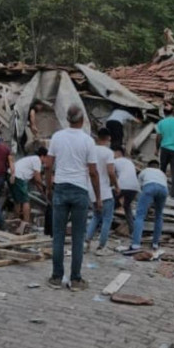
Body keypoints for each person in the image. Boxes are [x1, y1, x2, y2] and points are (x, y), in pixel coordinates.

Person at [45, 105, 100, 291]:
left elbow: (48, 165)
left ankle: (56, 277)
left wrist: (48, 187)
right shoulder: (88, 141)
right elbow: (93, 172)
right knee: (78, 237)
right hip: (80, 190)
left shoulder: (57, 137)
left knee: (58, 235)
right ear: (82, 119)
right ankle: (76, 279)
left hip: (60, 187)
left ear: (67, 119)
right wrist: (98, 197)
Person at [85, 128, 119, 256]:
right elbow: (111, 171)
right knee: (107, 218)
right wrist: (116, 185)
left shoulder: (91, 150)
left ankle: (87, 240)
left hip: (91, 188)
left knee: (96, 216)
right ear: (108, 138)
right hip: (104, 189)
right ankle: (101, 246)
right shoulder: (108, 152)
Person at [130, 160, 169, 250]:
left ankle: (136, 244)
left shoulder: (144, 171)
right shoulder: (162, 173)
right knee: (159, 216)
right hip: (163, 190)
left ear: (148, 166)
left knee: (140, 215)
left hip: (149, 187)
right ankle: (155, 243)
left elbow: (138, 188)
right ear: (157, 167)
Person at [11, 147, 48, 224]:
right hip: (19, 177)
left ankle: (16, 221)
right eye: (46, 158)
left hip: (13, 175)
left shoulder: (32, 159)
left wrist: (42, 192)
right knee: (26, 201)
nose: (47, 161)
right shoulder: (37, 160)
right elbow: (37, 178)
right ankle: (26, 223)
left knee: (17, 200)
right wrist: (45, 187)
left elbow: (35, 181)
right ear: (42, 156)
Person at [155, 106, 174, 199]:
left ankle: (159, 189)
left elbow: (158, 137)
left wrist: (157, 148)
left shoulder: (161, 122)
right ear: (172, 112)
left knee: (162, 170)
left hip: (164, 148)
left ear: (164, 112)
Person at [113, 149, 139, 234]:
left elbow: (111, 174)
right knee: (127, 206)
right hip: (134, 187)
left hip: (123, 185)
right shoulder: (130, 162)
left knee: (109, 205)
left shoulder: (115, 161)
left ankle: (102, 226)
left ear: (118, 153)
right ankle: (133, 230)